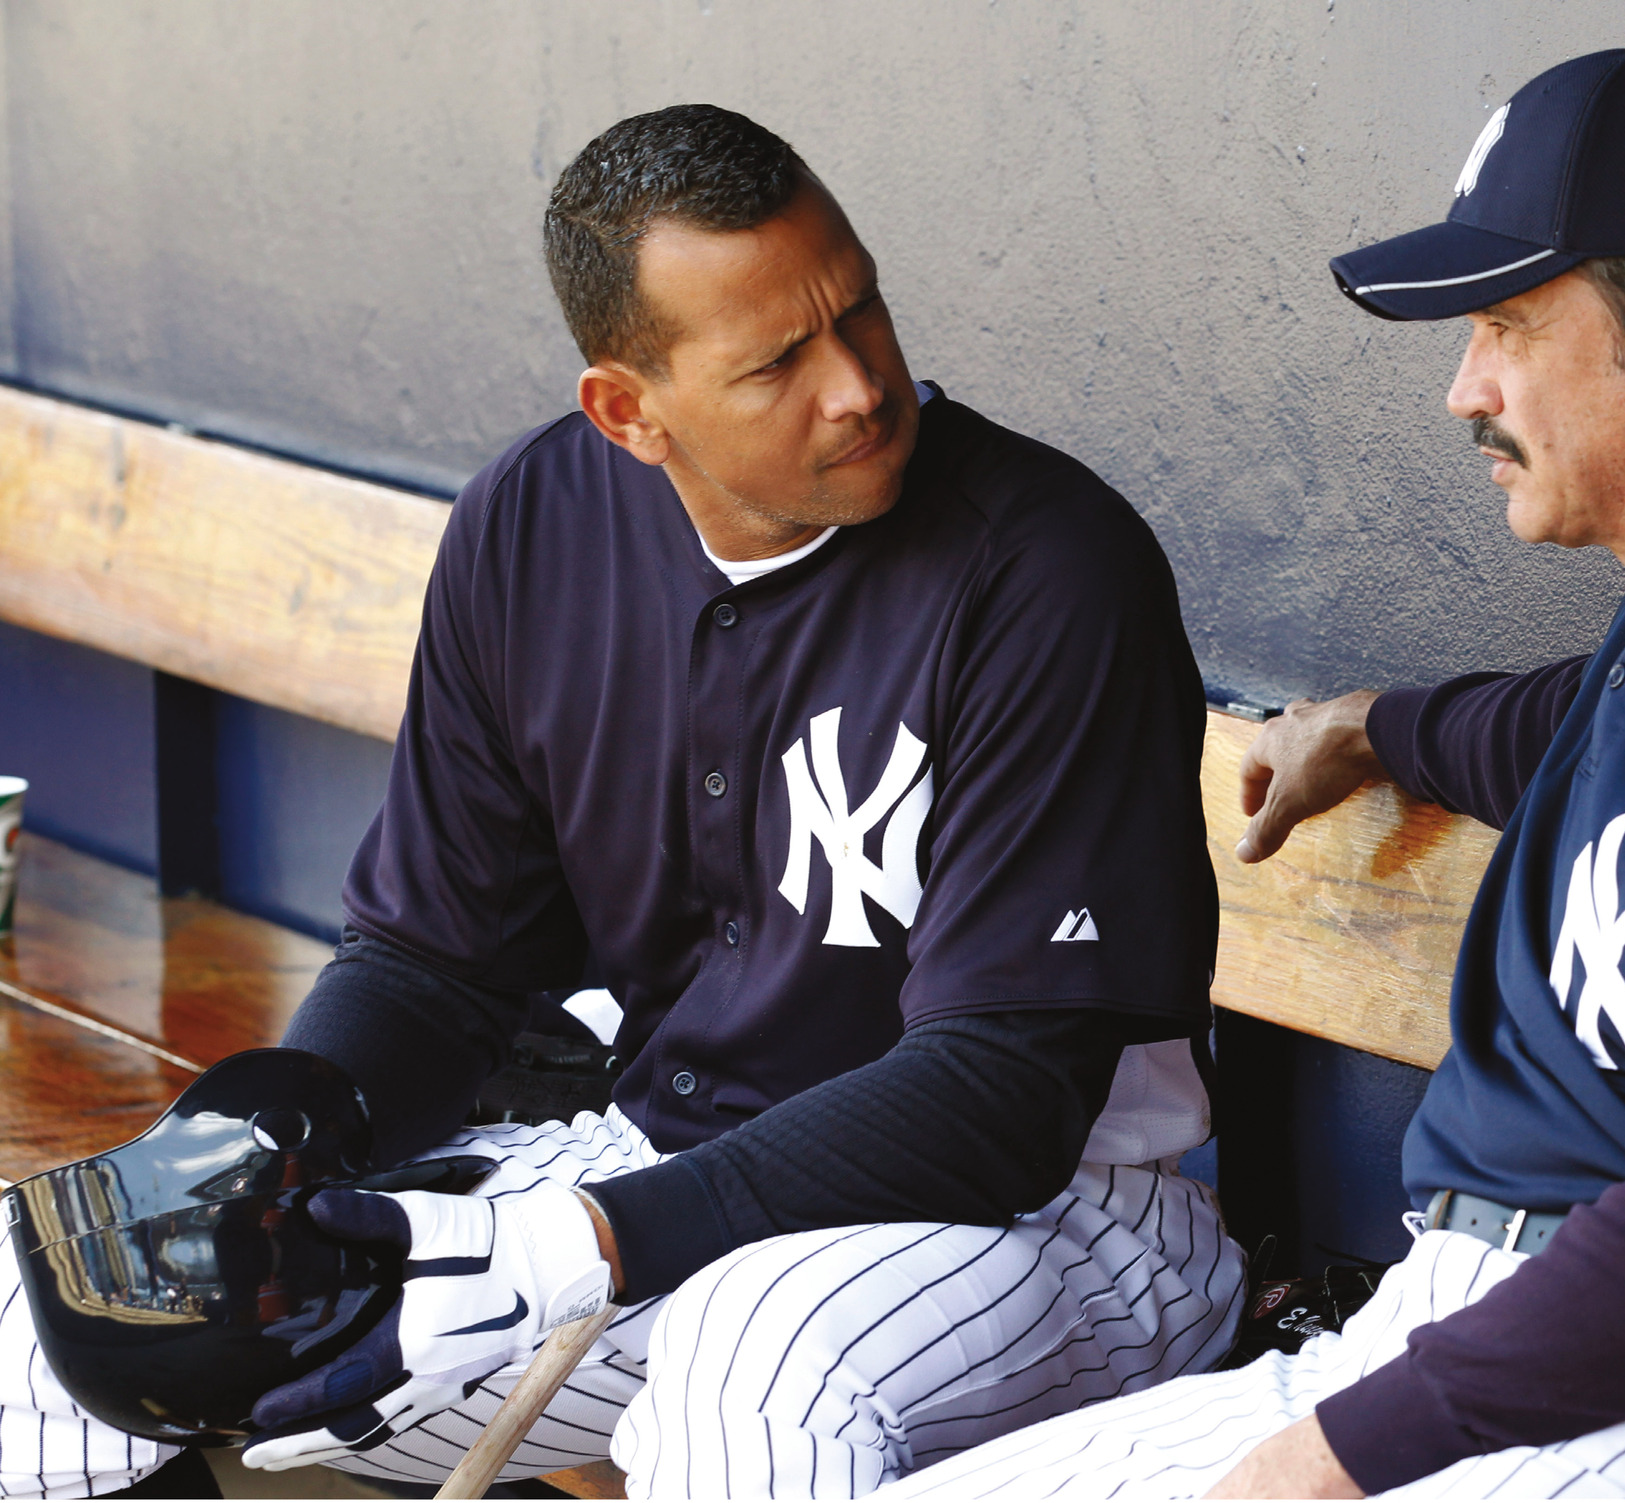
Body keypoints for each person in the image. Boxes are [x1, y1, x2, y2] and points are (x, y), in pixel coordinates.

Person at [874, 38, 1625, 1500]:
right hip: (1486, 1342)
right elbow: (1564, 733)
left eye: (1511, 323)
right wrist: (1359, 727)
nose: (1465, 386)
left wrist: (1329, 1463)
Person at [0, 104, 1243, 1499]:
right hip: (664, 1177)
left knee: (754, 1359)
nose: (856, 385)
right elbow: (434, 961)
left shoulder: (1045, 566)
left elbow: (1005, 1101)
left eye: (862, 310)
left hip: (1052, 1224)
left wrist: (574, 1245)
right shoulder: (539, 524)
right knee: (36, 1323)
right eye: (778, 362)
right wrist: (296, 1119)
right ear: (627, 410)